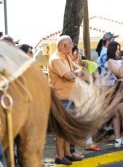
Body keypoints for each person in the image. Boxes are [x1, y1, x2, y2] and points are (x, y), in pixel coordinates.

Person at [48, 35, 85, 165]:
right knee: (61, 130)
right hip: (61, 98)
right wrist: (76, 73)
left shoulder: (66, 57)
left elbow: (78, 69)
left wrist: (76, 72)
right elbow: (69, 75)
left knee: (68, 129)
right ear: (64, 45)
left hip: (69, 97)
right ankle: (60, 155)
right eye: (70, 44)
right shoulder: (56, 59)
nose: (72, 46)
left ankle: (67, 154)